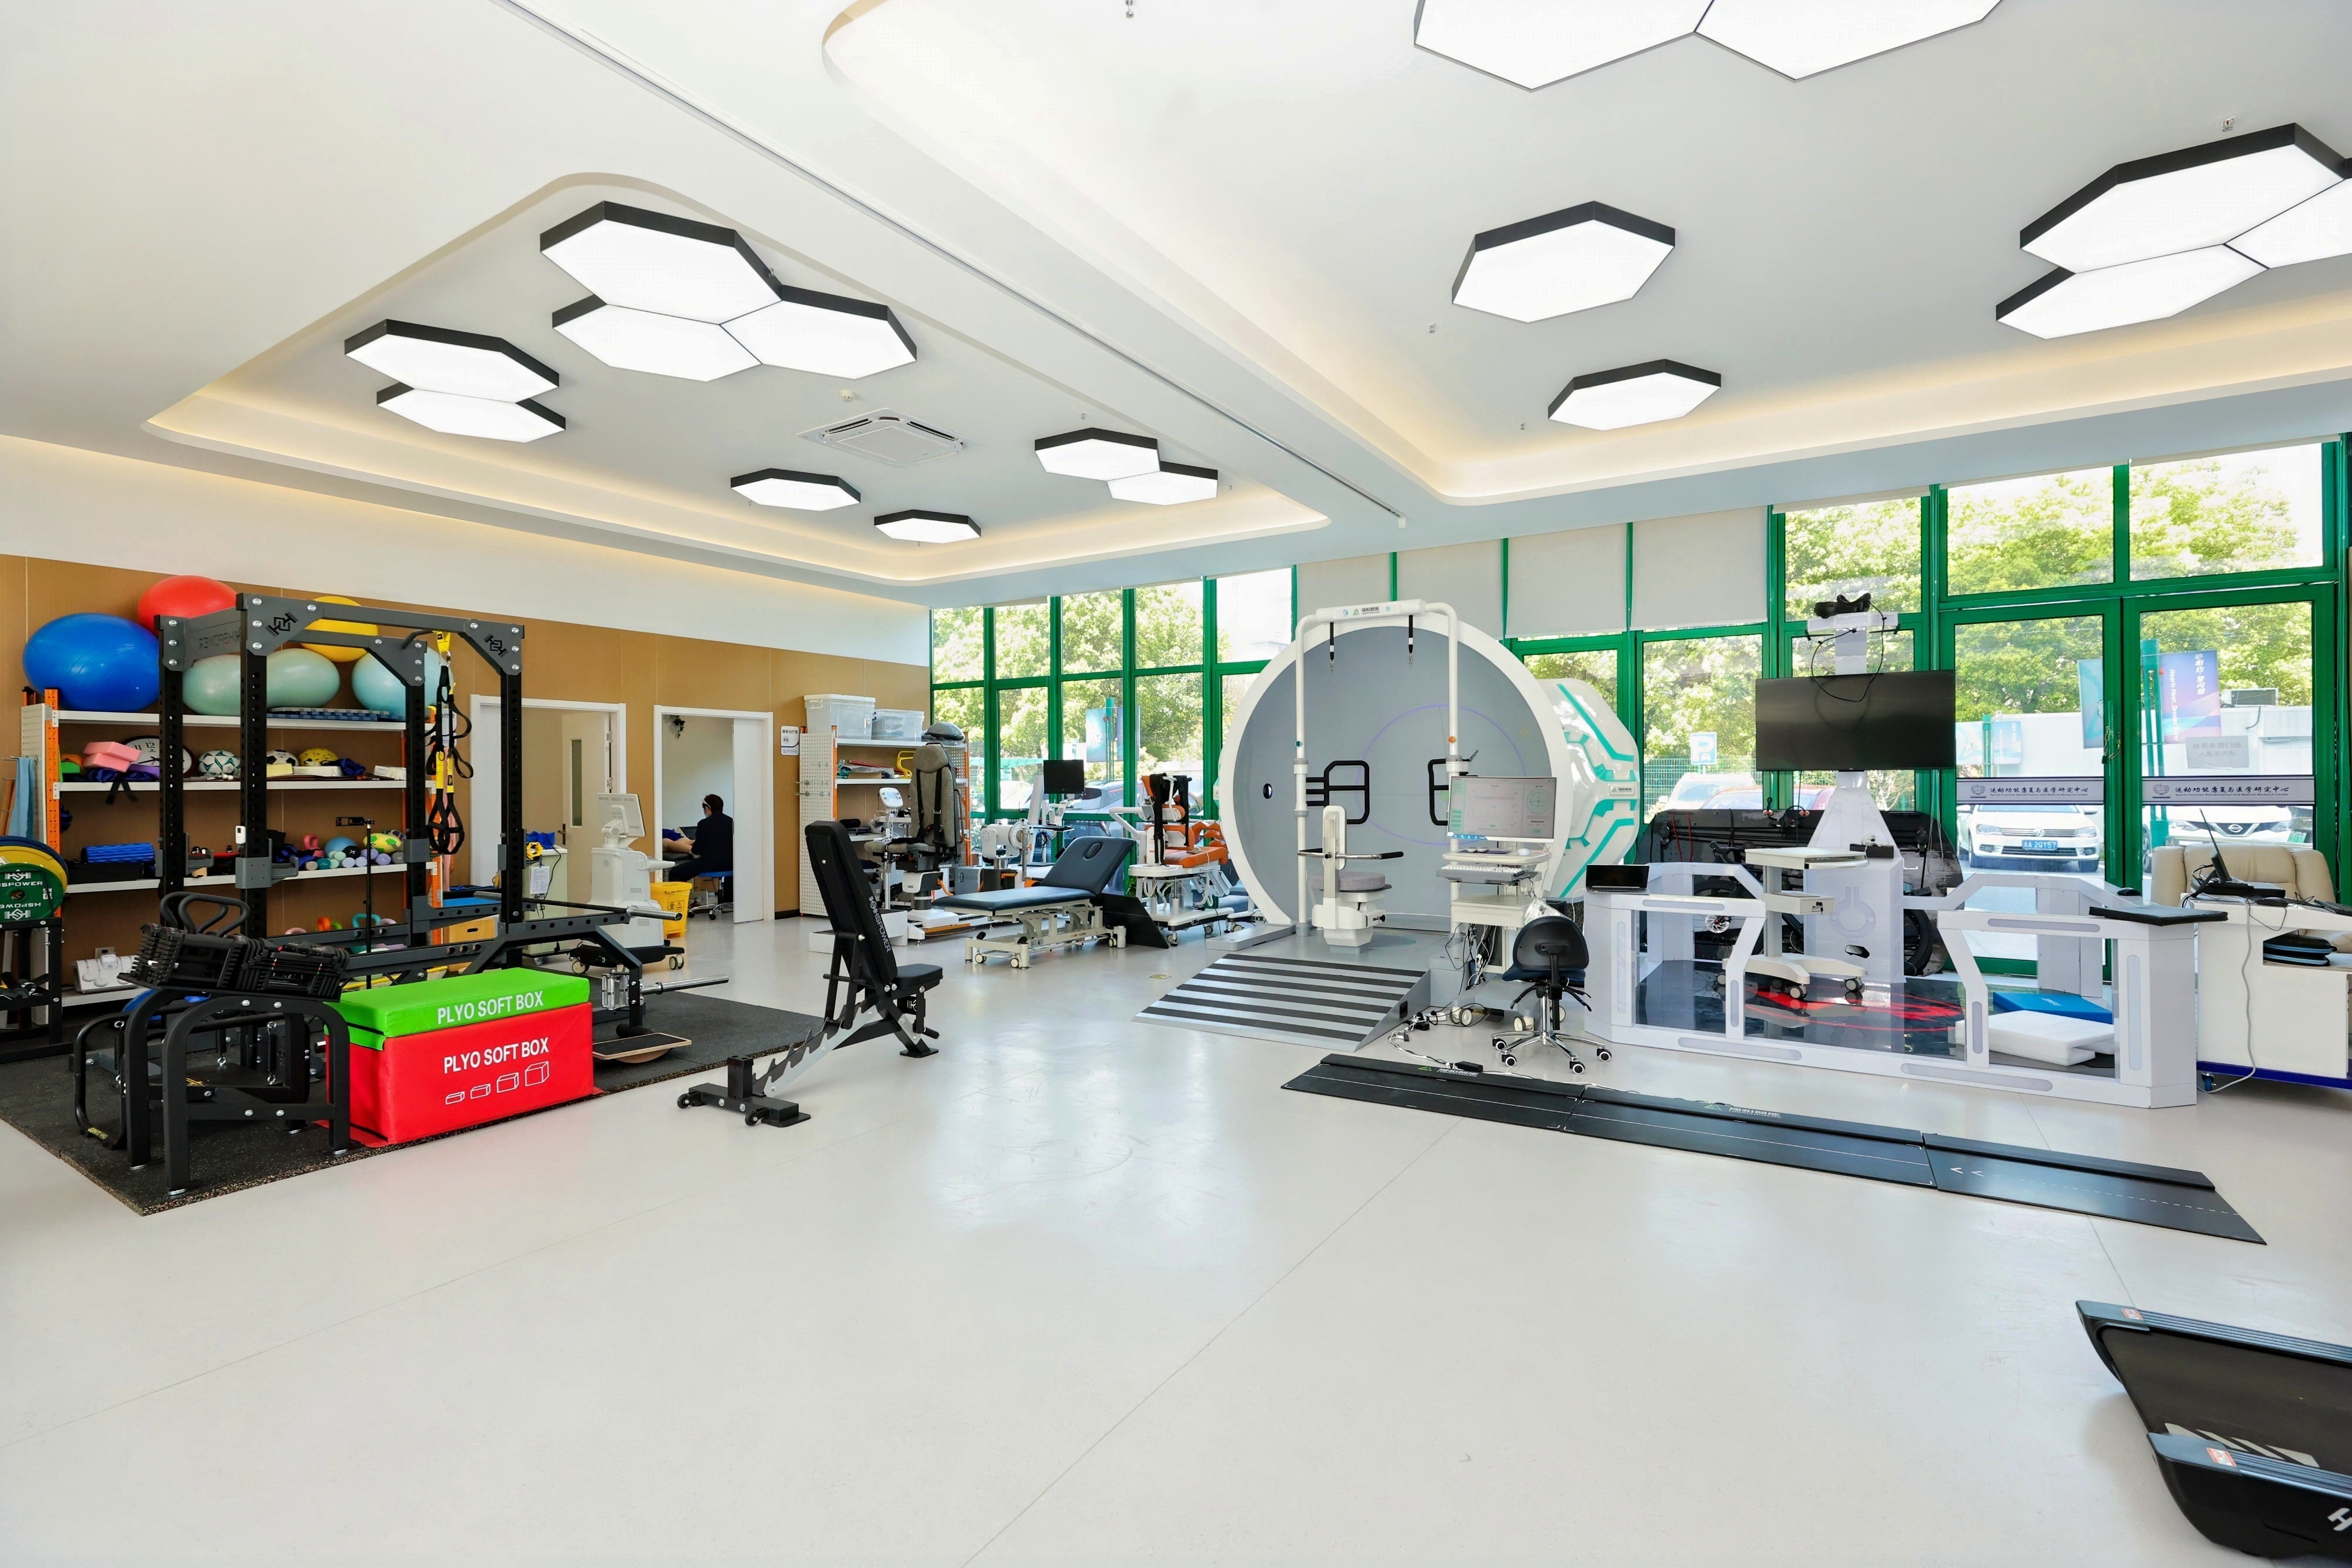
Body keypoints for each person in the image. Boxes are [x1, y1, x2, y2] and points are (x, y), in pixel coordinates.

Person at [663, 794, 733, 882]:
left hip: (709, 864)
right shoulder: (731, 821)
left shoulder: (704, 824)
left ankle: (684, 891)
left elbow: (696, 850)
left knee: (675, 873)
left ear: (707, 808)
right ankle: (727, 892)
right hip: (730, 864)